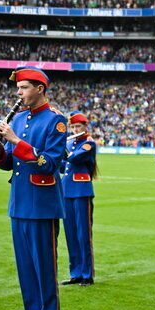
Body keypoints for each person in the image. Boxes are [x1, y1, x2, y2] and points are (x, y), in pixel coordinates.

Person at [0, 66, 68, 310]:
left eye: (24, 88)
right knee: (26, 270)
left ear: (40, 88)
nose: (19, 93)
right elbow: (10, 163)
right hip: (20, 204)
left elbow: (49, 163)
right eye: (18, 89)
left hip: (43, 206)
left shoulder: (56, 121)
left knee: (44, 270)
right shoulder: (20, 118)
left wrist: (14, 141)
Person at [61, 111, 97, 287]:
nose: (75, 129)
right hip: (66, 191)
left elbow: (73, 158)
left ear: (85, 127)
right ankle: (75, 273)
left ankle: (87, 274)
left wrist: (59, 145)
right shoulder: (70, 143)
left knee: (84, 234)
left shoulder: (89, 143)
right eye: (73, 127)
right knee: (71, 234)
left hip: (82, 191)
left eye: (78, 126)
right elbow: (62, 166)